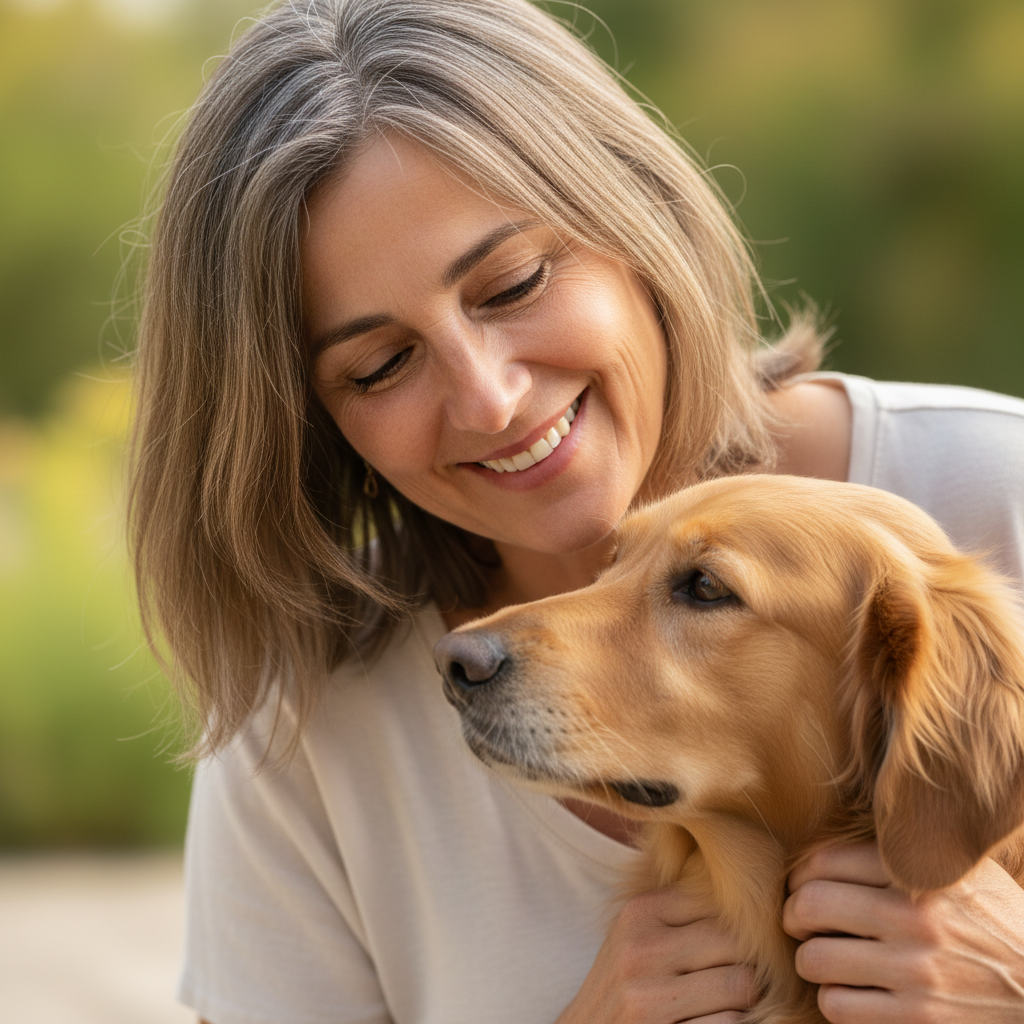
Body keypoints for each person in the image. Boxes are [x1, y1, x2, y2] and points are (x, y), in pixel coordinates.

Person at [128, 0, 1024, 1021]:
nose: (488, 398)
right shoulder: (303, 719)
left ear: (633, 224)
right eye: (381, 364)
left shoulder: (1001, 489)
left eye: (512, 283)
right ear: (309, 421)